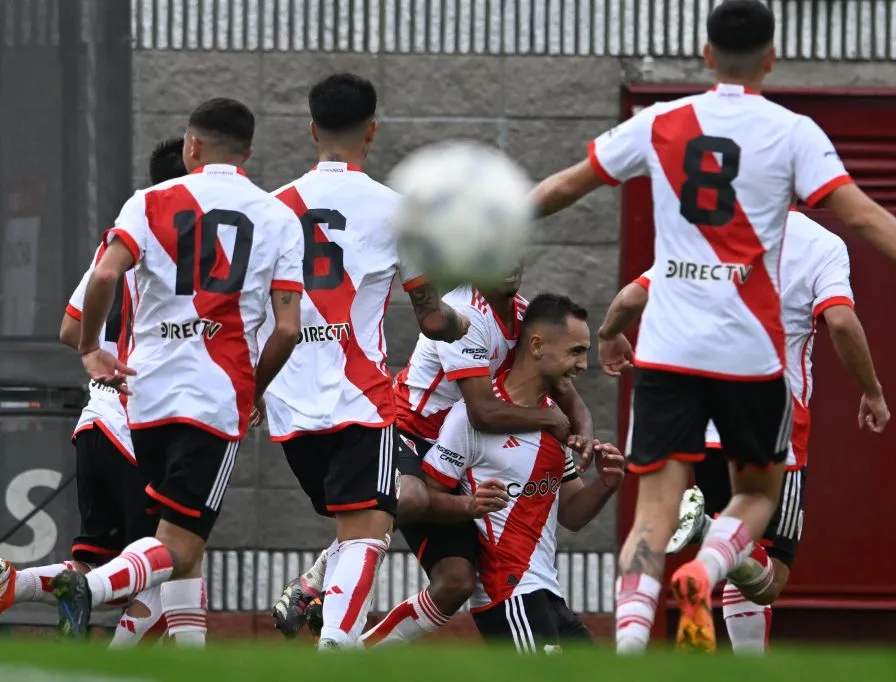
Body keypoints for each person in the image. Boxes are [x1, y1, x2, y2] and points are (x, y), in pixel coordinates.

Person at [529, 0, 896, 653]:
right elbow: (866, 217)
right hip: (751, 356)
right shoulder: (792, 133)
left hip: (669, 351)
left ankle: (631, 653)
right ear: (771, 58)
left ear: (705, 55)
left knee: (650, 516)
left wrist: (483, 229)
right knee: (755, 498)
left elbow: (565, 186)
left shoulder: (659, 122)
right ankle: (707, 567)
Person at [49, 98, 305, 646]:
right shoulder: (278, 216)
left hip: (145, 397)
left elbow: (104, 277)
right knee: (182, 544)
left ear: (192, 145)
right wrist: (254, 391)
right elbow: (286, 329)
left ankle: (185, 662)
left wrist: (93, 348)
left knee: (182, 548)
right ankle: (89, 588)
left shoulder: (148, 202)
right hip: (214, 396)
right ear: (248, 153)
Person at [601, 209, 889, 654]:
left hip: (686, 408)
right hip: (762, 414)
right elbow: (841, 321)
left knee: (652, 524)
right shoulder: (821, 244)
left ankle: (629, 651)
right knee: (768, 572)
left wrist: (609, 333)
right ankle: (703, 549)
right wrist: (872, 391)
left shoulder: (703, 230)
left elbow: (631, 298)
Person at [255, 73, 471, 649]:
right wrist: (461, 321)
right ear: (372, 131)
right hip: (360, 399)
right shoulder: (399, 212)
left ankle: (334, 631)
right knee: (365, 529)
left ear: (311, 129)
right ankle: (341, 645)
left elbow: (254, 316)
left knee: (357, 522)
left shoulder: (272, 208)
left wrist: (251, 390)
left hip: (288, 406)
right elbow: (431, 318)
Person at [273, 266, 596, 644]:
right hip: (405, 431)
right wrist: (548, 419)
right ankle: (328, 568)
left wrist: (585, 433)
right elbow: (482, 412)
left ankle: (362, 651)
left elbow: (564, 389)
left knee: (455, 582)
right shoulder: (463, 311)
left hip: (454, 448)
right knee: (409, 496)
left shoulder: (525, 316)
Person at [0, 137, 189, 648]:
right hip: (144, 426)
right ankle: (113, 660)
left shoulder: (124, 242)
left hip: (96, 421)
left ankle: (15, 582)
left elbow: (68, 327)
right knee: (170, 556)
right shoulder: (200, 253)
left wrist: (95, 349)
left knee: (93, 556)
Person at [418, 293, 624, 653]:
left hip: (548, 592)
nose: (584, 365)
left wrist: (607, 484)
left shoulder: (557, 424)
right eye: (576, 351)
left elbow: (572, 514)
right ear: (538, 345)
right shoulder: (468, 419)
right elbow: (425, 499)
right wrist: (469, 505)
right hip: (508, 595)